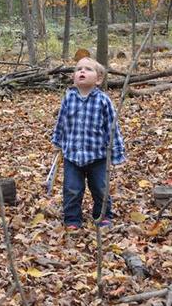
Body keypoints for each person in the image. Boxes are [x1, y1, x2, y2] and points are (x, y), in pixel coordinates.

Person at [51, 57, 126, 230]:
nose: (82, 72)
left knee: (101, 189)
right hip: (72, 156)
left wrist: (116, 153)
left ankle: (103, 215)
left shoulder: (103, 101)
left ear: (98, 79)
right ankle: (72, 219)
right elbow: (61, 123)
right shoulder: (69, 99)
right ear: (74, 77)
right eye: (79, 69)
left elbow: (112, 128)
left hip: (97, 157)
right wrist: (57, 142)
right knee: (72, 189)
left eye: (87, 69)